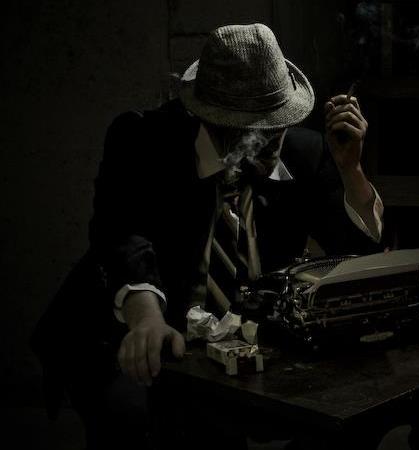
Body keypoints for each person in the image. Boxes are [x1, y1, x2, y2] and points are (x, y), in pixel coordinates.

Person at [31, 23, 384, 449]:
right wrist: (146, 317)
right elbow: (120, 233)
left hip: (237, 344)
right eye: (256, 129)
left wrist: (352, 171)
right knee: (132, 416)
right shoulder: (142, 139)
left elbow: (359, 255)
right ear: (209, 118)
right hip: (123, 327)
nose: (273, 139)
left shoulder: (305, 152)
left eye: (280, 122)